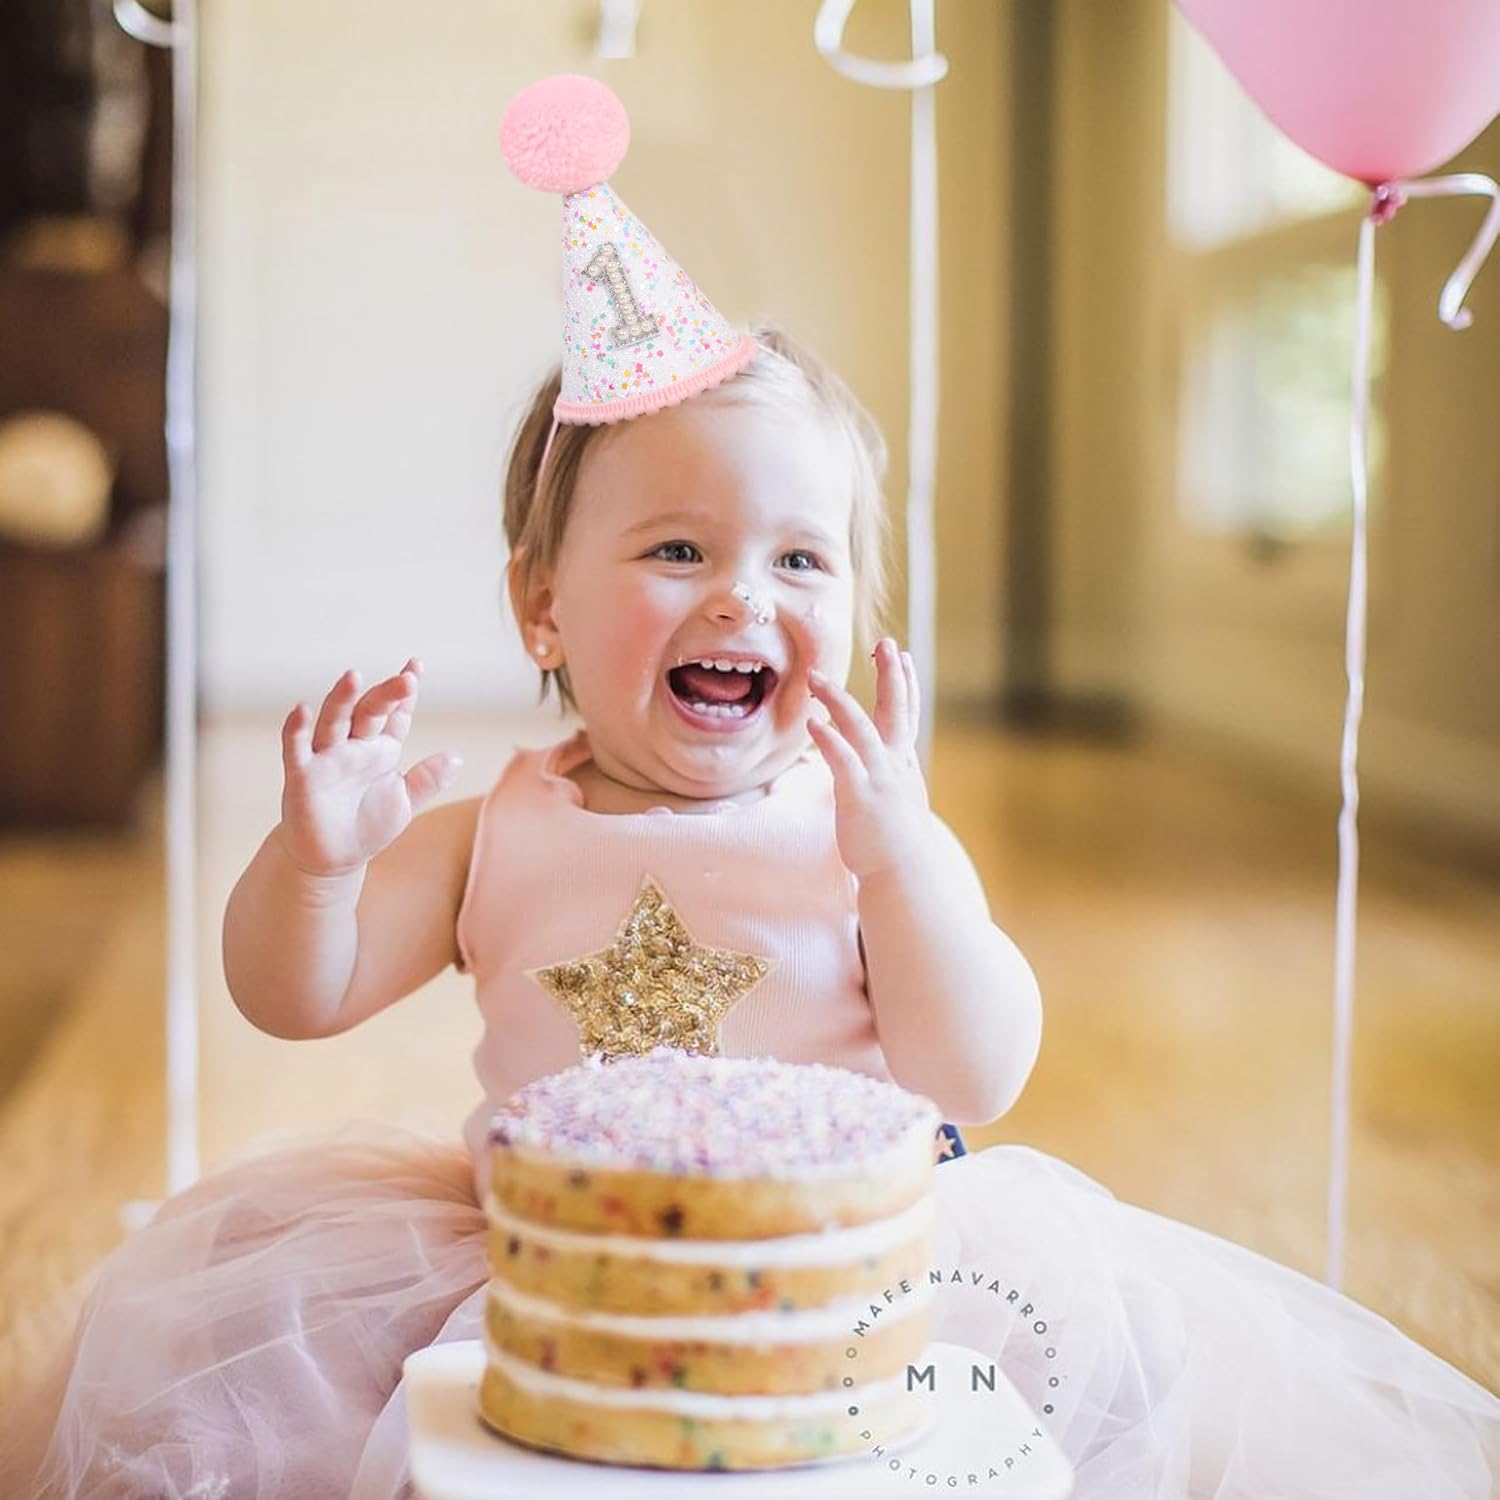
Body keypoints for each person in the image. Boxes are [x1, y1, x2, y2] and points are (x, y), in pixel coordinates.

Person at [9, 73, 1497, 1500]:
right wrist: (316, 868)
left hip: (850, 1275)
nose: (741, 597)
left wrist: (908, 866)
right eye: (676, 551)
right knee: (268, 1389)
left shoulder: (863, 840)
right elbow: (297, 995)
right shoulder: (492, 834)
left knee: (1110, 1387)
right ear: (540, 607)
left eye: (800, 560)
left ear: (855, 611)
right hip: (555, 1275)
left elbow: (977, 1074)